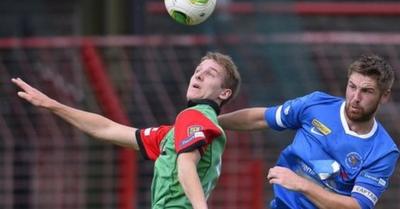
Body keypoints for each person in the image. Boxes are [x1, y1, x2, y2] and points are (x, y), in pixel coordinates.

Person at [12, 51, 241, 209]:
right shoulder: (175, 133)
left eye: (210, 74)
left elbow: (186, 163)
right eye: (198, 69)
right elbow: (107, 128)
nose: (198, 74)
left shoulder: (194, 116)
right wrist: (53, 105)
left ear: (224, 93)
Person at [218, 54, 399, 209]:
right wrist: (212, 122)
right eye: (352, 87)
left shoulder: (383, 151)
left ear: (384, 95)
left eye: (367, 91)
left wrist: (301, 184)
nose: (356, 97)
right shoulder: (316, 104)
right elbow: (261, 117)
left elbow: (357, 205)